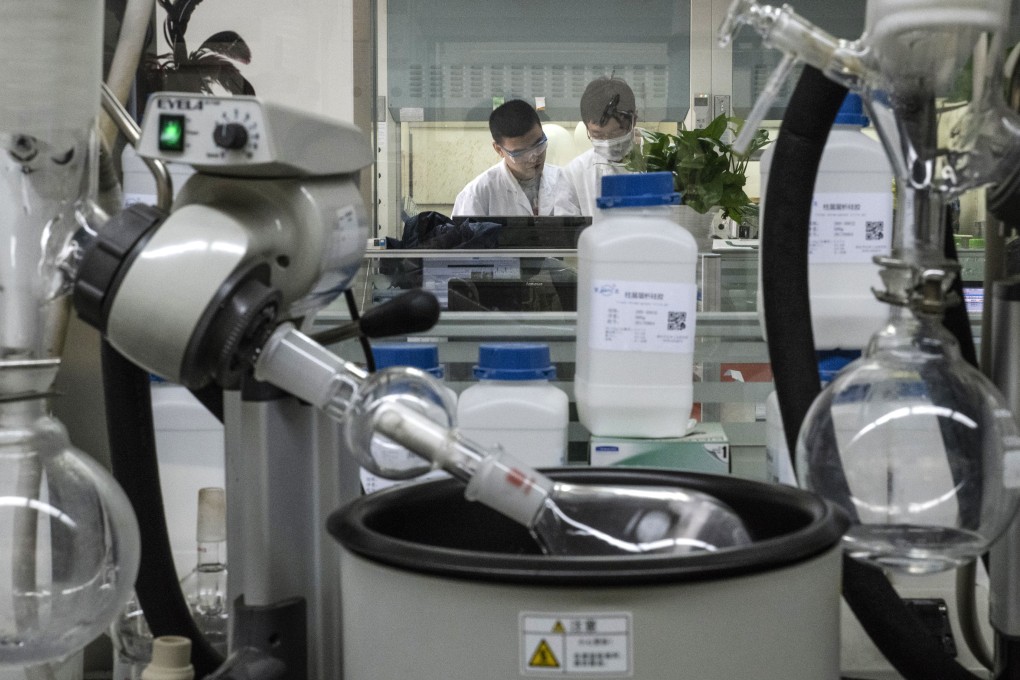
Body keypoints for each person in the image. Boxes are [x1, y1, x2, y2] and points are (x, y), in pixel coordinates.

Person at [453, 99, 579, 217]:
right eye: (521, 153)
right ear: (499, 150)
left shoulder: (568, 183)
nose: (533, 157)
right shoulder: (477, 195)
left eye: (538, 145)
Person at [564, 77, 643, 216]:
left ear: (633, 121)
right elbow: (565, 230)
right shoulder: (574, 173)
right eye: (598, 135)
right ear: (587, 128)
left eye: (616, 133)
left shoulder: (656, 165)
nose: (607, 142)